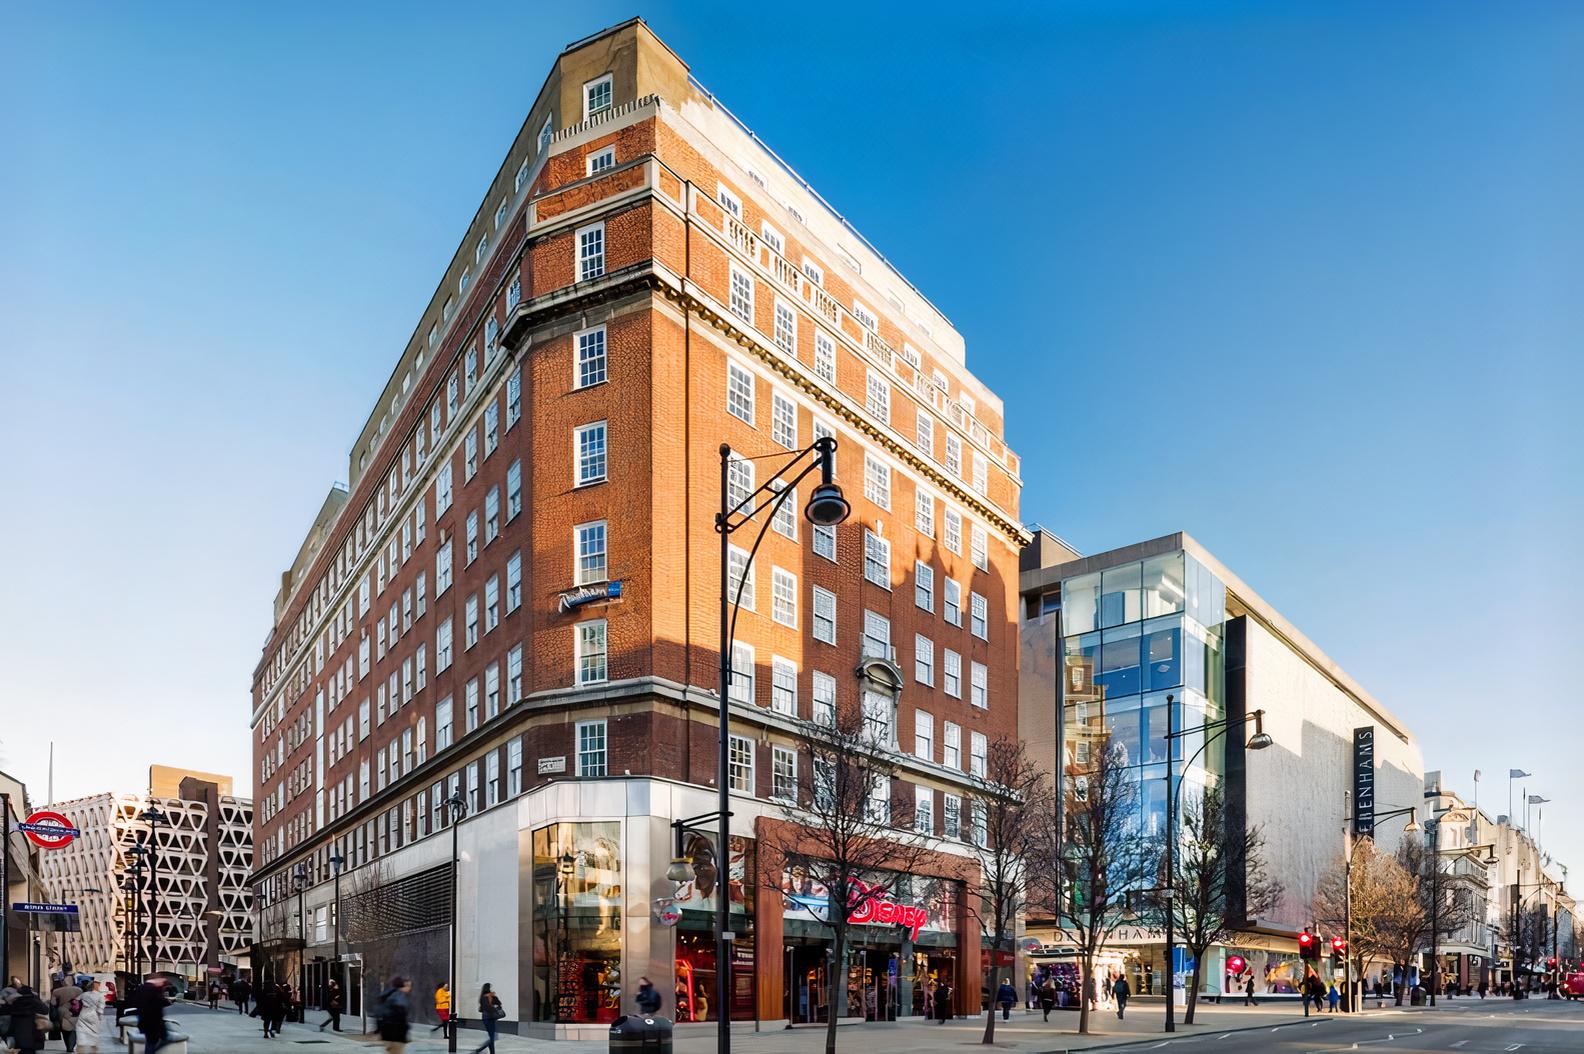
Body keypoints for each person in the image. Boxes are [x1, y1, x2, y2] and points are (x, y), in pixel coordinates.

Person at [4, 985, 50, 1054]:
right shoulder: (34, 1001)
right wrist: (37, 999)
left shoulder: (15, 1001)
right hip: (31, 1034)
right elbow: (45, 1010)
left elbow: (5, 1011)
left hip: (16, 1033)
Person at [130, 977, 170, 1053]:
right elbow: (161, 1002)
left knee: (151, 1041)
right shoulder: (153, 989)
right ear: (156, 979)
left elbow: (135, 1002)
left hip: (144, 1020)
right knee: (158, 1040)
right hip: (153, 1021)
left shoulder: (141, 988)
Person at [377, 976, 413, 1054]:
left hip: (387, 1035)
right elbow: (401, 1017)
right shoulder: (399, 997)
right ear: (402, 985)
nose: (409, 988)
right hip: (396, 1036)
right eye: (408, 985)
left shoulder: (388, 994)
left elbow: (380, 1013)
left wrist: (379, 1031)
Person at [51, 973, 84, 1052]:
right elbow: (81, 1002)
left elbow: (53, 1004)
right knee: (73, 1029)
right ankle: (71, 1046)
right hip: (74, 1012)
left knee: (65, 1030)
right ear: (72, 981)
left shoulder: (56, 991)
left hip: (62, 1012)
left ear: (63, 982)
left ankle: (68, 1046)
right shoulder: (79, 990)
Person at [76, 980, 106, 1053]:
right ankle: (93, 1050)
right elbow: (100, 1010)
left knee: (81, 1033)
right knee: (94, 1033)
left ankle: (81, 1050)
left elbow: (76, 1001)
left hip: (83, 1014)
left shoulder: (83, 994)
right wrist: (99, 1017)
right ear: (96, 986)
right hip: (93, 1015)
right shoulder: (100, 996)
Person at [473, 982, 504, 1054]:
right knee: (492, 1036)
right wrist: (494, 1007)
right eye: (491, 987)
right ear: (488, 988)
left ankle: (491, 1051)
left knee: (492, 1036)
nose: (492, 989)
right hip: (487, 1018)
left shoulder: (492, 996)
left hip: (492, 1018)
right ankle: (481, 1049)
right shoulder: (484, 997)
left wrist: (495, 1004)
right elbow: (487, 1007)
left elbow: (499, 1004)